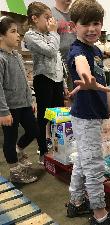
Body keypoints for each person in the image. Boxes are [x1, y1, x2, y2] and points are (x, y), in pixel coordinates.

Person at [65, 0, 110, 224]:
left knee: (83, 160)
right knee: (94, 166)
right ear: (73, 26)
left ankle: (76, 202)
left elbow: (103, 85)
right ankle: (100, 215)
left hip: (95, 115)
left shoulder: (97, 50)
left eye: (96, 23)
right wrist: (85, 75)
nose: (92, 29)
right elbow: (82, 65)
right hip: (85, 117)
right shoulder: (78, 50)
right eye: (85, 24)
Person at [24, 2, 67, 164]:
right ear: (35, 18)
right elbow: (50, 51)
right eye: (47, 18)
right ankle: (43, 151)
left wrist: (64, 84)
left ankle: (60, 148)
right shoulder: (31, 35)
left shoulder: (51, 34)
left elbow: (58, 59)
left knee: (59, 116)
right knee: (44, 117)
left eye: (51, 18)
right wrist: (54, 33)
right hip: (43, 79)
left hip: (56, 79)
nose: (50, 21)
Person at [0, 16, 40, 183]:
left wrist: (30, 99)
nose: (18, 35)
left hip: (23, 103)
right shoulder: (1, 58)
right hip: (9, 108)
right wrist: (3, 111)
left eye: (18, 31)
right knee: (10, 137)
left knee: (34, 130)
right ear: (1, 36)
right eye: (13, 31)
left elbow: (23, 79)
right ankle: (15, 172)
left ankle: (18, 150)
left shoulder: (16, 55)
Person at [52, 0, 76, 90]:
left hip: (76, 60)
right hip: (59, 62)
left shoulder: (74, 15)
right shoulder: (51, 14)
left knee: (76, 93)